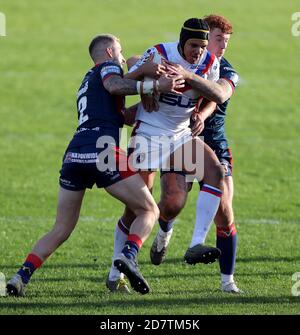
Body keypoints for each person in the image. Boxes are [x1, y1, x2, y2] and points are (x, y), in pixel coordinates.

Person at [6, 34, 185, 296]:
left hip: (74, 153)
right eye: (121, 52)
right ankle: (128, 255)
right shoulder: (108, 67)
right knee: (149, 210)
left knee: (61, 228)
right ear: (110, 52)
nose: (124, 58)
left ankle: (20, 277)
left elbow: (120, 115)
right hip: (102, 149)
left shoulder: (86, 82)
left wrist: (156, 104)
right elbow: (114, 85)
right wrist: (154, 85)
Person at [106, 18, 235, 293]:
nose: (197, 51)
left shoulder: (211, 62)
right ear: (182, 41)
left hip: (180, 136)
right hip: (148, 133)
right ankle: (115, 272)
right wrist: (150, 82)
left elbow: (216, 94)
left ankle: (195, 243)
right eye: (193, 45)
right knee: (137, 208)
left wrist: (198, 102)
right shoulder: (161, 53)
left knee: (215, 171)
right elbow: (133, 71)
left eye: (201, 46)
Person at [150, 15, 243, 293]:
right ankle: (165, 230)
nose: (222, 46)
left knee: (225, 212)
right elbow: (137, 60)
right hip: (179, 139)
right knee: (172, 201)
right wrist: (149, 86)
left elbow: (220, 94)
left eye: (226, 42)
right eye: (217, 39)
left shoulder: (225, 69)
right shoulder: (176, 58)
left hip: (212, 141)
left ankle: (227, 281)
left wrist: (201, 113)